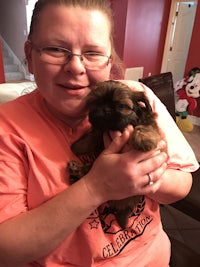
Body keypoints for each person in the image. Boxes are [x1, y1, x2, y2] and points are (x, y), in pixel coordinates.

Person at [0, 0, 198, 266]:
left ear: (110, 62)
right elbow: (6, 252)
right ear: (30, 55)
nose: (76, 67)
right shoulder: (7, 128)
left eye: (92, 53)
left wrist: (142, 176)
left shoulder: (140, 97)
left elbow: (183, 184)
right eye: (56, 49)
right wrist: (96, 187)